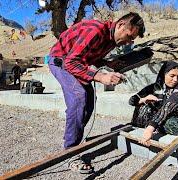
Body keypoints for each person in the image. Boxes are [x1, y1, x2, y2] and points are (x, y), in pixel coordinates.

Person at [48, 12, 145, 173]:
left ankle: (74, 138)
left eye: (132, 40)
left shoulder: (111, 41)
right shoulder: (96, 30)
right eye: (128, 36)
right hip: (60, 61)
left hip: (73, 62)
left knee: (89, 102)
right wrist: (101, 76)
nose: (128, 42)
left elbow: (89, 56)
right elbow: (71, 61)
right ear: (120, 24)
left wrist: (108, 63)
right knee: (79, 98)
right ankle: (70, 152)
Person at [129, 61, 178, 146]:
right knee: (143, 107)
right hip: (159, 122)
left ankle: (151, 131)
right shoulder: (155, 87)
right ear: (163, 74)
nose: (175, 80)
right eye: (172, 76)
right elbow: (132, 100)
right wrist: (143, 99)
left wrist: (150, 129)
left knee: (169, 120)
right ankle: (140, 132)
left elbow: (167, 108)